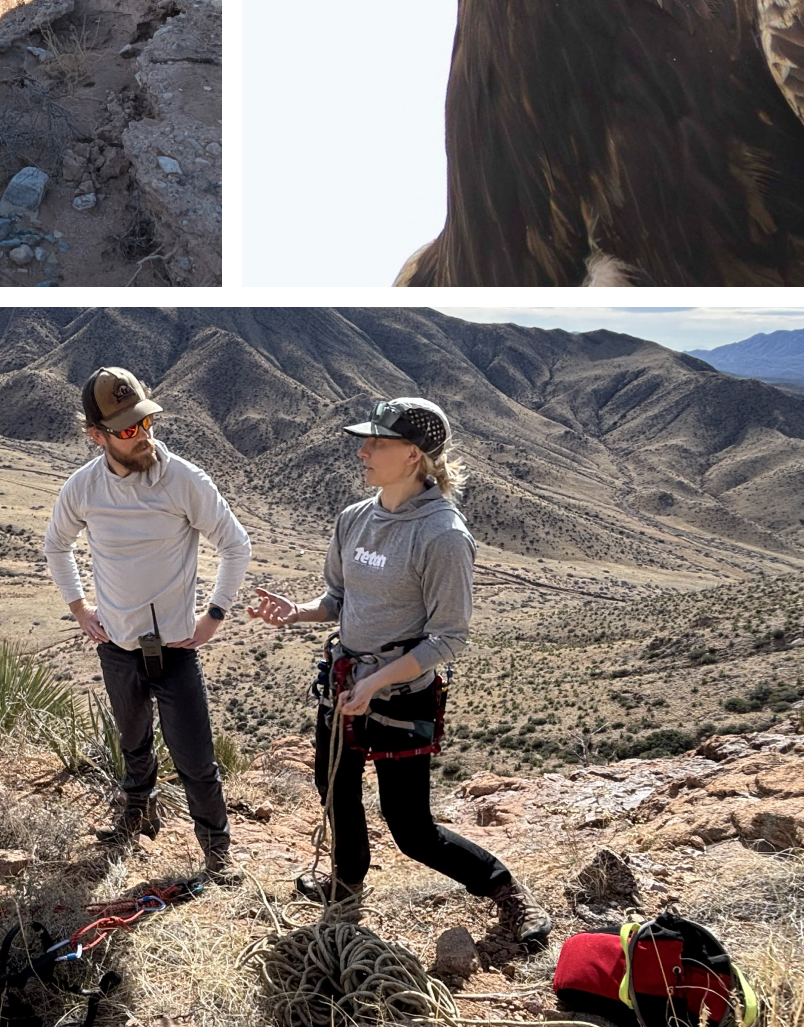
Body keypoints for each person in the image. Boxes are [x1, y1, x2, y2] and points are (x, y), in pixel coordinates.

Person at [248, 397, 553, 945]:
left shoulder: (442, 535)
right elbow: (339, 597)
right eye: (365, 441)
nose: (362, 451)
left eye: (377, 444)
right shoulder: (354, 519)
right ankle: (346, 885)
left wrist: (377, 682)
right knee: (333, 787)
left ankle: (507, 892)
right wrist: (298, 612)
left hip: (399, 696)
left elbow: (447, 638)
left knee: (410, 828)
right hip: (345, 685)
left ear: (413, 456)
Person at [43, 366, 251, 878]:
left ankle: (217, 853)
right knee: (132, 742)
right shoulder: (84, 488)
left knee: (196, 759)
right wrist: (78, 607)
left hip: (176, 649)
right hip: (118, 646)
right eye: (129, 429)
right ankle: (137, 817)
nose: (144, 437)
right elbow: (56, 545)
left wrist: (215, 615)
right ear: (97, 436)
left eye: (147, 423)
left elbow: (236, 545)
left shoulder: (184, 479)